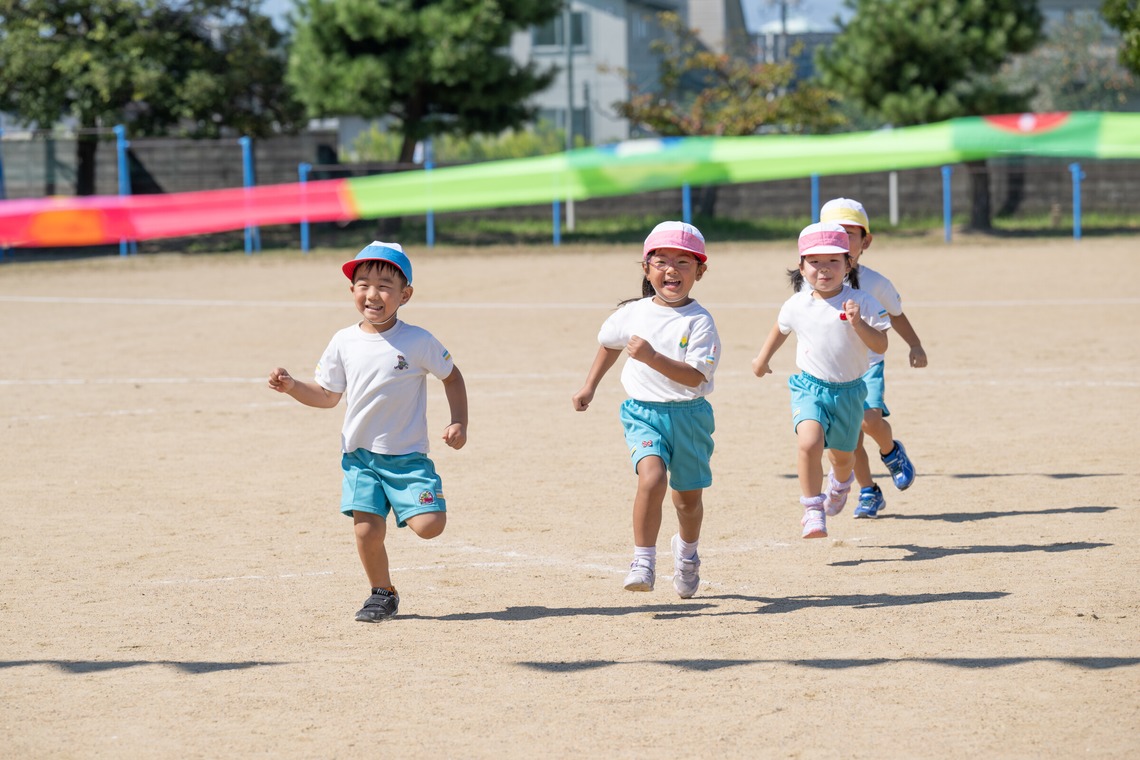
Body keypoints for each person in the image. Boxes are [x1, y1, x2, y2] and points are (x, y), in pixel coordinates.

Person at [268, 241, 468, 622]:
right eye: (363, 284)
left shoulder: (418, 341)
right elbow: (327, 396)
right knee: (366, 531)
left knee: (429, 526)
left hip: (407, 457)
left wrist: (459, 421)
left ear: (405, 294)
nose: (372, 294)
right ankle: (382, 592)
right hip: (359, 456)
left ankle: (417, 500)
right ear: (352, 291)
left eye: (384, 286)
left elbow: (452, 377)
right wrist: (293, 386)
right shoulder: (343, 341)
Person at [572, 221, 720, 598]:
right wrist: (590, 385)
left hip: (689, 417)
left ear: (700, 271)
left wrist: (652, 357)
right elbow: (609, 343)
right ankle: (643, 560)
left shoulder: (700, 322)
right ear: (646, 268)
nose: (672, 269)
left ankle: (686, 554)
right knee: (651, 479)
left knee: (688, 501)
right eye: (662, 260)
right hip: (642, 413)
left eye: (684, 262)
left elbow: (694, 378)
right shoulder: (633, 313)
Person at [751, 221, 891, 539]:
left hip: (850, 392)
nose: (823, 269)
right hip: (810, 387)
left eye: (832, 261)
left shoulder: (863, 303)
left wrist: (859, 324)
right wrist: (762, 359)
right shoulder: (797, 303)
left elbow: (881, 345)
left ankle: (840, 484)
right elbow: (781, 328)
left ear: (848, 264)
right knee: (809, 442)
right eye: (814, 262)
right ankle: (813, 509)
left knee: (844, 458)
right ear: (801, 266)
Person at [818, 198, 926, 518]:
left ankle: (892, 452)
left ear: (865, 241)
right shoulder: (815, 283)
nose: (841, 241)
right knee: (849, 438)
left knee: (870, 420)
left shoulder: (876, 283)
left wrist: (915, 345)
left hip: (868, 364)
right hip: (835, 372)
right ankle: (869, 491)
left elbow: (896, 315)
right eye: (832, 233)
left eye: (848, 234)